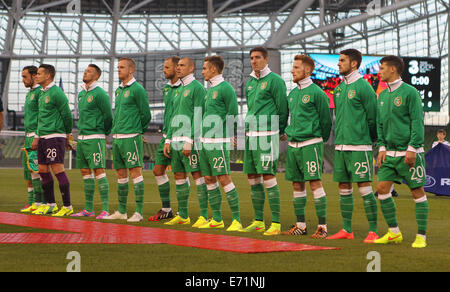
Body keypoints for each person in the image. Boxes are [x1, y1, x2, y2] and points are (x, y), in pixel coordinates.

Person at [374, 55, 429, 248]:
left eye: (382, 68)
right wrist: (381, 147)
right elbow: (380, 125)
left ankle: (421, 236)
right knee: (382, 189)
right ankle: (394, 232)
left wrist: (413, 148)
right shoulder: (382, 95)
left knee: (417, 191)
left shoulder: (410, 93)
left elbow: (417, 121)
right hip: (389, 153)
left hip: (409, 152)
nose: (379, 71)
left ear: (393, 70)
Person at [326, 49, 379, 243]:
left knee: (364, 187)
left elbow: (373, 117)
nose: (338, 64)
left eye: (342, 60)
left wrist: (369, 139)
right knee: (343, 187)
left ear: (354, 64)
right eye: (339, 60)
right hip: (340, 146)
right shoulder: (338, 89)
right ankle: (346, 229)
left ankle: (373, 231)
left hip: (360, 146)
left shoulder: (364, 87)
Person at [281, 55, 332, 238]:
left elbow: (326, 122)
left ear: (307, 71)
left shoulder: (317, 93)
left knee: (314, 183)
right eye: (292, 67)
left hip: (311, 144)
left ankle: (323, 227)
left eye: (296, 67)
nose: (292, 71)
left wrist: (318, 138)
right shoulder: (293, 94)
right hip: (293, 146)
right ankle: (301, 226)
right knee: (297, 184)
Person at [239, 47, 288, 236]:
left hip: (268, 133)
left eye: (258, 57)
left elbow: (282, 107)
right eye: (251, 58)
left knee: (268, 176)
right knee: (252, 177)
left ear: (266, 59)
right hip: (251, 135)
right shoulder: (250, 83)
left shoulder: (276, 81)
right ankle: (259, 221)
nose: (254, 61)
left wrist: (281, 129)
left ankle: (275, 224)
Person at [197, 55, 242, 231]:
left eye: (204, 68)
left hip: (219, 141)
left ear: (213, 69)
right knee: (208, 178)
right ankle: (217, 219)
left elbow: (232, 113)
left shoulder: (226, 88)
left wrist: (231, 136)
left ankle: (237, 220)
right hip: (205, 141)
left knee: (224, 178)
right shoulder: (209, 89)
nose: (202, 71)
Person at [163, 57, 209, 227]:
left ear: (191, 69)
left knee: (198, 176)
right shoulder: (177, 90)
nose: (179, 68)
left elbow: (199, 115)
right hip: (175, 139)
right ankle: (183, 215)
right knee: (178, 176)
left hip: (191, 141)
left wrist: (190, 140)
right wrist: (168, 139)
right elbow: (173, 116)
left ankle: (204, 216)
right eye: (178, 65)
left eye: (182, 65)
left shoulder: (197, 88)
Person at [105, 58, 151, 222]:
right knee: (120, 174)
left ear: (131, 70)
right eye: (117, 67)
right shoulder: (119, 90)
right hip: (117, 138)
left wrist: (138, 130)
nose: (118, 70)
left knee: (135, 173)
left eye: (122, 67)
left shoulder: (137, 89)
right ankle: (122, 211)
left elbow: (146, 114)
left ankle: (138, 212)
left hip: (131, 137)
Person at [71, 64, 113, 219]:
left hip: (95, 137)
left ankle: (106, 209)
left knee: (99, 171)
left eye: (89, 71)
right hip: (81, 138)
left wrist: (103, 132)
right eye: (85, 70)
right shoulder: (82, 93)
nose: (85, 73)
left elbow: (108, 116)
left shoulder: (100, 94)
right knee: (84, 172)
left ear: (96, 76)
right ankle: (88, 209)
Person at [32, 64, 74, 216]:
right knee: (42, 170)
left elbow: (67, 115)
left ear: (48, 76)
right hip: (43, 137)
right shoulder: (42, 94)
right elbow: (41, 117)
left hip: (55, 136)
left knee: (57, 169)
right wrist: (37, 136)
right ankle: (51, 204)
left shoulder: (57, 93)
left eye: (38, 73)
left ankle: (67, 206)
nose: (36, 76)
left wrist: (67, 135)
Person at [148, 56, 181, 222]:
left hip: (182, 135)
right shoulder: (167, 89)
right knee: (158, 170)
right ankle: (167, 209)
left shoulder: (187, 87)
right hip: (166, 136)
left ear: (177, 68)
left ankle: (184, 213)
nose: (164, 70)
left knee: (182, 173)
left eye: (167, 67)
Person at [19, 66, 44, 213]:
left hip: (36, 136)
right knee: (29, 171)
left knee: (38, 171)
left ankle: (41, 202)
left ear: (34, 76)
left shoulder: (40, 93)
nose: (23, 80)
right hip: (28, 136)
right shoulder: (29, 94)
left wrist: (36, 136)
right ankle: (32, 202)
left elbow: (42, 116)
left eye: (25, 77)